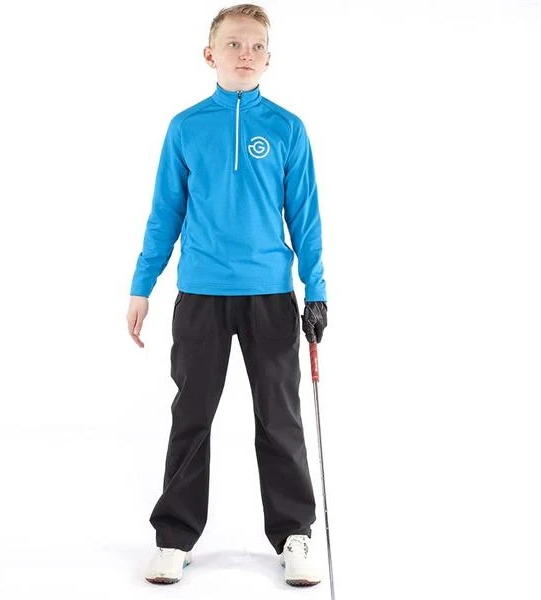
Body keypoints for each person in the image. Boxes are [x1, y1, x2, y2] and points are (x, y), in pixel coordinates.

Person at [126, 3, 328, 587]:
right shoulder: (186, 127)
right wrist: (142, 285)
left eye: (257, 46)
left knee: (280, 418)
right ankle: (174, 537)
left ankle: (293, 534)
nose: (246, 54)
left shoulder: (287, 128)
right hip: (201, 295)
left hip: (270, 296)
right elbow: (165, 213)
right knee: (191, 415)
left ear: (270, 58)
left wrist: (316, 291)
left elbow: (305, 217)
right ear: (209, 54)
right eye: (234, 44)